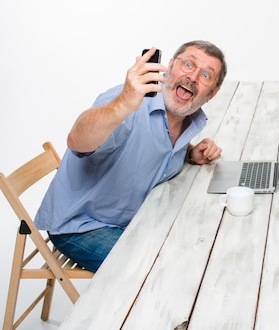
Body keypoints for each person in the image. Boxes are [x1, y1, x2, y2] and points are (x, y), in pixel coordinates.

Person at [34, 40, 227, 272]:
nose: (193, 77)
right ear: (170, 66)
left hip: (132, 221)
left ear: (213, 93)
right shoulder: (126, 104)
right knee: (160, 271)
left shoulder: (185, 121)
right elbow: (78, 141)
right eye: (188, 64)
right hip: (81, 226)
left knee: (200, 248)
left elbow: (153, 148)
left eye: (206, 75)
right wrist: (124, 102)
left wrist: (189, 153)